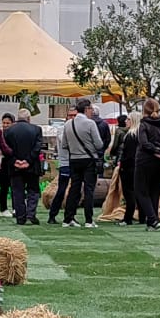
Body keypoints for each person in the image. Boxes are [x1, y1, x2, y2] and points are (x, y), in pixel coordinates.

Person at [51, 97, 106, 227]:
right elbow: (99, 144)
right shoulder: (90, 124)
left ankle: (68, 218)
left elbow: (64, 144)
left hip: (74, 159)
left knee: (74, 188)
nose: (92, 111)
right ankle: (88, 220)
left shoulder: (68, 124)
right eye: (91, 109)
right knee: (88, 189)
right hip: (88, 159)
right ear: (86, 109)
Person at [134, 100, 160, 231]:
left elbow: (144, 143)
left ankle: (152, 219)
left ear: (144, 110)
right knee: (155, 191)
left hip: (145, 161)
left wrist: (158, 151)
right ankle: (153, 220)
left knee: (141, 191)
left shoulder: (143, 125)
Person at [4, 108, 45, 225]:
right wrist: (28, 160)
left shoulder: (8, 131)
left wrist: (15, 161)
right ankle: (31, 214)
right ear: (29, 118)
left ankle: (20, 217)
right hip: (32, 166)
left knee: (18, 192)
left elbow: (6, 149)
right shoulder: (37, 129)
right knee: (33, 190)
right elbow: (37, 148)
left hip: (15, 167)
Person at [114, 114, 142, 225]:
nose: (126, 121)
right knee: (138, 192)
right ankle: (142, 216)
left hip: (128, 168)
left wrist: (122, 166)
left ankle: (128, 217)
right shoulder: (140, 135)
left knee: (129, 193)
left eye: (129, 119)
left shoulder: (130, 135)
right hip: (137, 167)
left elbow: (128, 154)